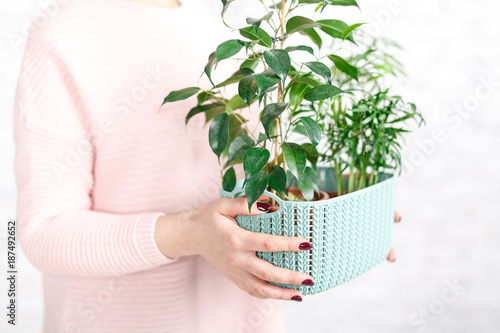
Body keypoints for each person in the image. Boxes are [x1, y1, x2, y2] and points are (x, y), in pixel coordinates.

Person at [13, 0, 399, 332]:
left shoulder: (220, 23)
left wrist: (339, 202)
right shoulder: (64, 33)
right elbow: (44, 233)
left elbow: (258, 168)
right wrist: (191, 232)